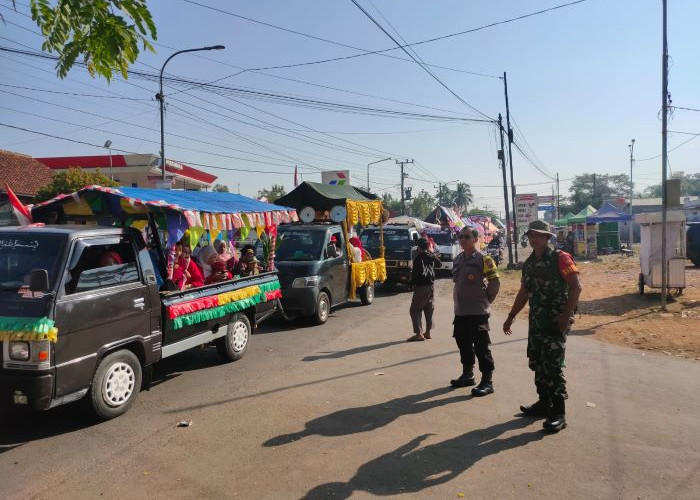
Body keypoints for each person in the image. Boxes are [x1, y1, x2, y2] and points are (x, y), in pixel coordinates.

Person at [503, 220, 582, 433]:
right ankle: (543, 403)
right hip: (537, 321)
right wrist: (511, 316)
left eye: (538, 235)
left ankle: (558, 411)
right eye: (530, 235)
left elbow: (576, 287)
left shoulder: (561, 258)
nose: (533, 238)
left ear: (547, 237)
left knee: (553, 365)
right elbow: (523, 293)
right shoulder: (529, 263)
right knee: (537, 361)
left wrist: (566, 315)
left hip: (556, 321)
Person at [450, 226, 500, 397]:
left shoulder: (484, 259)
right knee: (463, 343)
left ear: (475, 239)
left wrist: (486, 301)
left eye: (466, 236)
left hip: (477, 312)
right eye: (460, 236)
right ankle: (468, 374)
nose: (462, 239)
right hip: (461, 312)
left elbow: (495, 283)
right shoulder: (458, 259)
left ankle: (487, 381)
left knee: (481, 347)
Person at [406, 238, 443, 342]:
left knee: (414, 310)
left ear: (419, 247)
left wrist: (411, 285)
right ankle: (428, 332)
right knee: (428, 309)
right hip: (431, 287)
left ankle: (419, 334)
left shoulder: (418, 259)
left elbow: (415, 275)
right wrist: (431, 254)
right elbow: (439, 264)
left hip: (421, 287)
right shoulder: (431, 256)